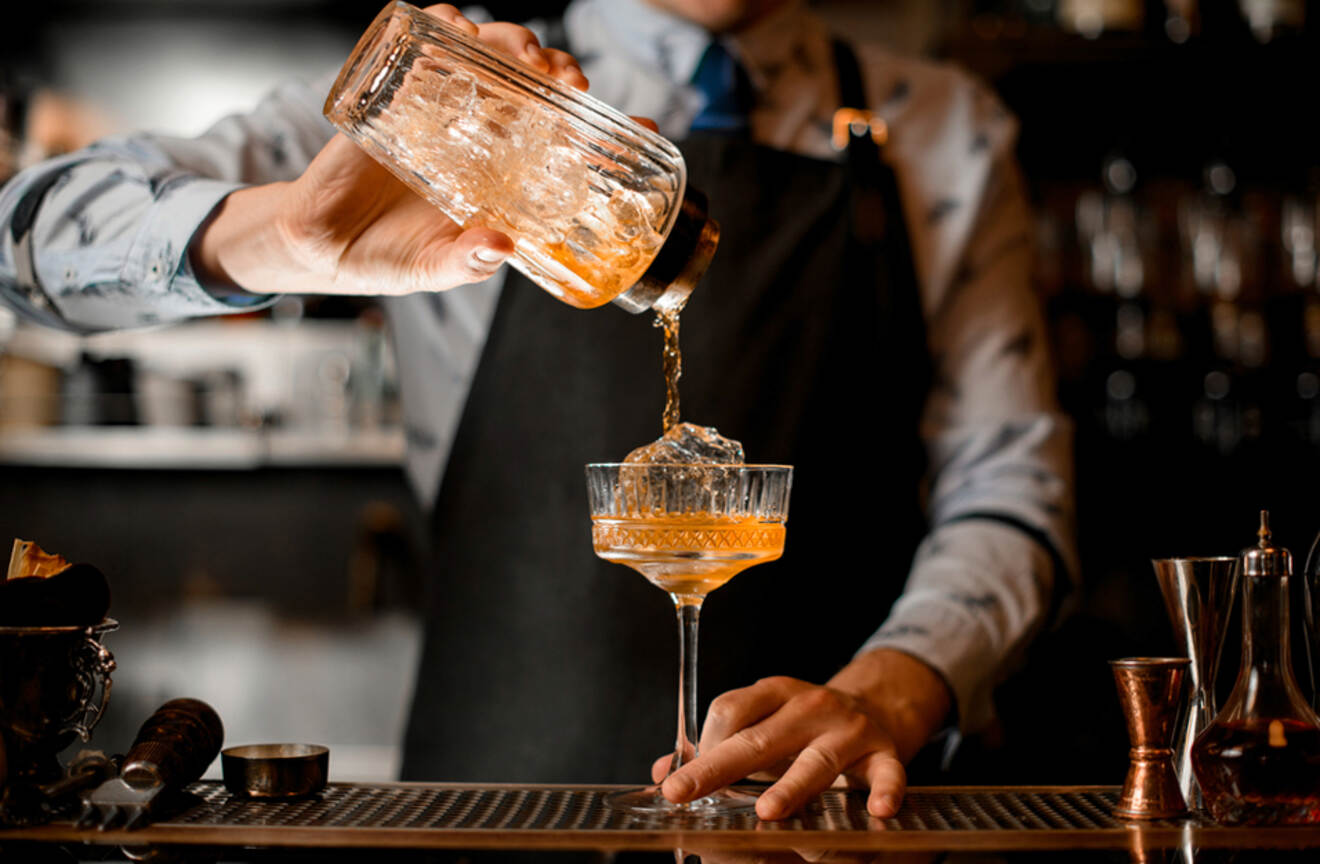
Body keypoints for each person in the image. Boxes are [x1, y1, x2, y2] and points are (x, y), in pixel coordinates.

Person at [0, 0, 1074, 821]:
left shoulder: (946, 134)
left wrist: (895, 690)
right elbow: (24, 239)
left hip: (830, 815)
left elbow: (1012, 494)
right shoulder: (449, 95)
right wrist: (284, 235)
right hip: (491, 805)